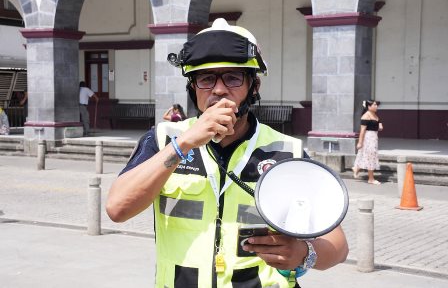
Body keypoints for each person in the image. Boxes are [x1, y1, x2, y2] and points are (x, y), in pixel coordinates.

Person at [106, 18, 348, 287]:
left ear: (254, 87)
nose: (219, 89)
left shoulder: (284, 151)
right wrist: (185, 142)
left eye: (233, 78)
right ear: (192, 88)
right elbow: (117, 209)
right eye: (206, 79)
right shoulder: (164, 140)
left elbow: (338, 246)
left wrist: (304, 254)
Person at [352, 99, 383, 185]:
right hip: (368, 138)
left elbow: (379, 123)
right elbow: (362, 131)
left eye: (376, 105)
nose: (376, 106)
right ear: (369, 106)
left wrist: (380, 125)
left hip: (374, 138)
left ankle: (356, 168)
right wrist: (360, 142)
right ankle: (371, 178)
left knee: (368, 155)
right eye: (374, 105)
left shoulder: (375, 115)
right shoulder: (366, 116)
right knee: (370, 156)